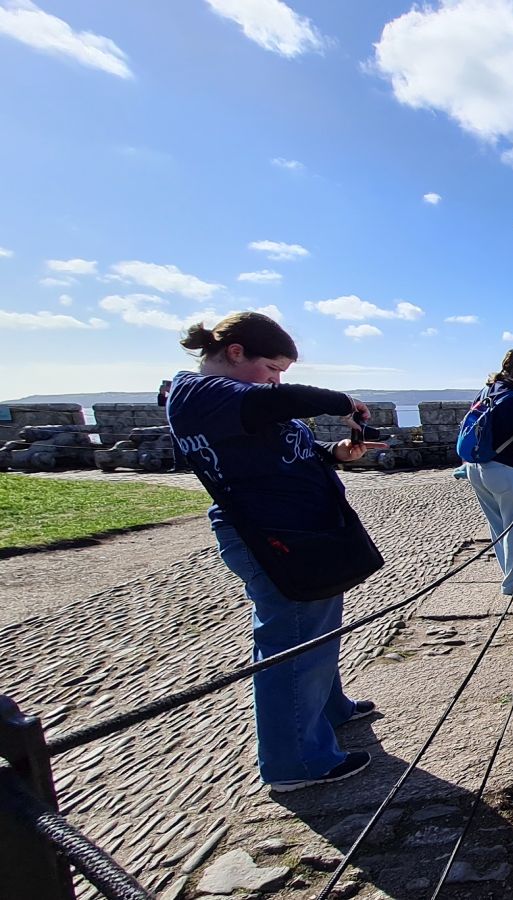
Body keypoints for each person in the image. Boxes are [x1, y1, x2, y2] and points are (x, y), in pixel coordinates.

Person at [165, 312, 388, 793]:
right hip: (273, 537)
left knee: (315, 630)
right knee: (290, 644)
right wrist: (342, 402)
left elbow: (280, 448)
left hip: (301, 532)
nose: (275, 381)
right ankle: (296, 762)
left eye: (281, 373)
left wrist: (333, 454)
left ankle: (329, 709)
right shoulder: (199, 394)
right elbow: (281, 404)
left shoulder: (235, 400)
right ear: (236, 352)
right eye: (272, 369)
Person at [463, 350, 513, 596]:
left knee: (499, 526)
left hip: (477, 469)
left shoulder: (486, 392)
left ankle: (510, 575)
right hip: (507, 472)